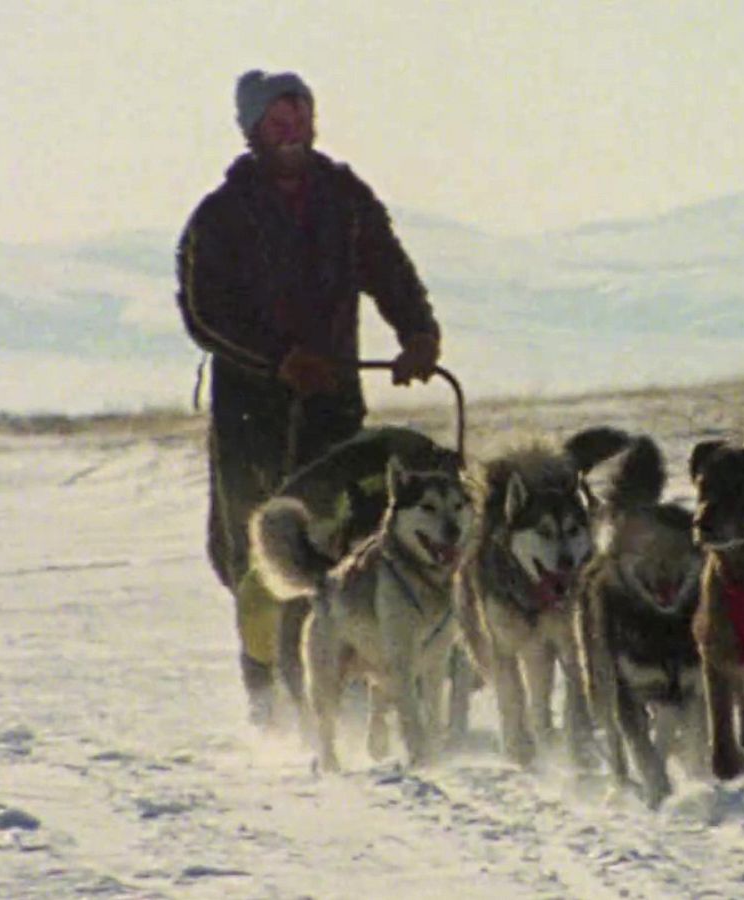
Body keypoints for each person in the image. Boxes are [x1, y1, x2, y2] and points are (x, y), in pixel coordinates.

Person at [176, 69, 443, 725]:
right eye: (277, 119)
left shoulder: (345, 199)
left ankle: (345, 688)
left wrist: (417, 332)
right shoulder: (220, 216)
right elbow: (204, 313)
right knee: (255, 555)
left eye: (300, 115)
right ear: (253, 130)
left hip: (333, 406)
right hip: (251, 416)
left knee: (346, 543)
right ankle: (268, 699)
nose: (291, 128)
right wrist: (279, 360)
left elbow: (389, 269)